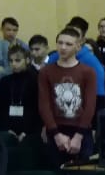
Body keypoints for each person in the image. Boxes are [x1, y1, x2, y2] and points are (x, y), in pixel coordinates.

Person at [37, 28, 97, 166]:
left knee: (83, 174)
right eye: (60, 43)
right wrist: (56, 134)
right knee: (54, 173)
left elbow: (90, 106)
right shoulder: (46, 72)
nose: (63, 47)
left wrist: (79, 136)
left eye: (68, 44)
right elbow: (44, 105)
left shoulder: (88, 72)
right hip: (56, 129)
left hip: (81, 129)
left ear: (78, 47)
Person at [0, 44, 40, 140]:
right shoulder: (5, 81)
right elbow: (0, 108)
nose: (13, 64)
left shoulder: (35, 80)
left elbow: (37, 109)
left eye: (17, 60)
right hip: (8, 128)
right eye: (11, 61)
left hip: (30, 129)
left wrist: (27, 131)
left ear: (27, 60)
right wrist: (6, 128)